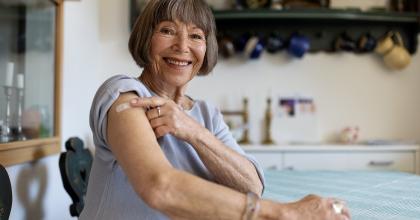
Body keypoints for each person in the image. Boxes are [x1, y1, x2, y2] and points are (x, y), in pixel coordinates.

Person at [81, 0, 351, 219]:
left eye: (196, 35)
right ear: (145, 39)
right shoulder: (123, 95)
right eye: (167, 30)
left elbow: (252, 186)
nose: (182, 46)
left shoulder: (207, 115)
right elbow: (158, 186)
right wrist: (283, 213)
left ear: (206, 48)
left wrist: (192, 130)